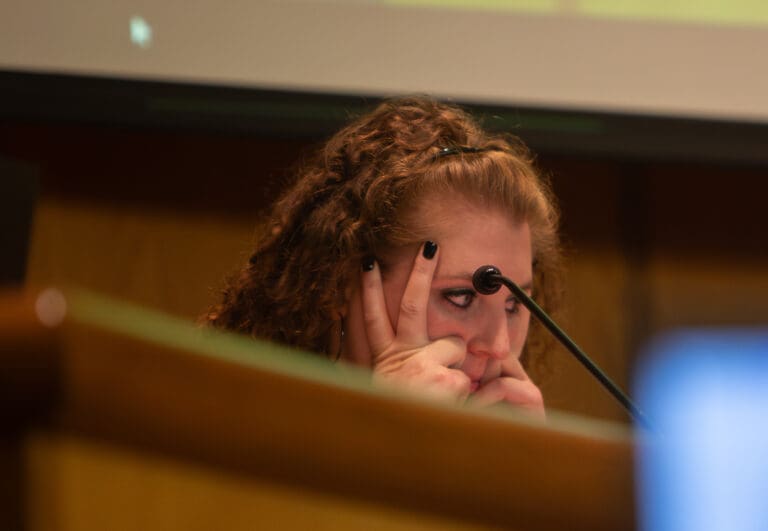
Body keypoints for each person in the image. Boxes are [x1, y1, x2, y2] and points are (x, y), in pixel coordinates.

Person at [204, 97, 563, 417]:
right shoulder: (230, 424)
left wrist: (521, 472)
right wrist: (383, 431)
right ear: (342, 281)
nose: (499, 348)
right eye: (460, 297)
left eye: (514, 306)